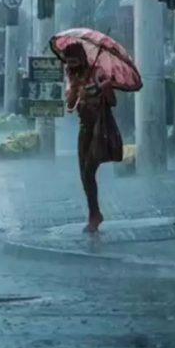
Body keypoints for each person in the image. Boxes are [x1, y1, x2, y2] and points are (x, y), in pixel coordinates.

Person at [64, 43, 117, 233]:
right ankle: (94, 212)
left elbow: (113, 101)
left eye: (74, 62)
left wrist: (104, 89)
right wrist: (74, 92)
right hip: (84, 128)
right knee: (84, 176)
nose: (71, 67)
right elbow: (70, 107)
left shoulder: (97, 73)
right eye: (68, 63)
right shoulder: (72, 76)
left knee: (88, 171)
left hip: (99, 127)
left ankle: (95, 215)